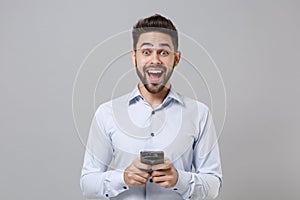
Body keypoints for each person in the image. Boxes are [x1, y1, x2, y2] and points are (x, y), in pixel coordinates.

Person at [80, 14, 222, 200]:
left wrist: (179, 180)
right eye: (146, 52)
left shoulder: (199, 114)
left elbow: (213, 186)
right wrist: (123, 178)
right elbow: (87, 184)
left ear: (176, 59)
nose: (155, 60)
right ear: (134, 57)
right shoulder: (107, 113)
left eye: (163, 52)